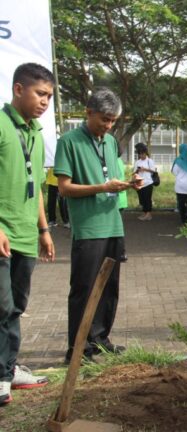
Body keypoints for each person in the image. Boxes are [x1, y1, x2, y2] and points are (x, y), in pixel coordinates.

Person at [54, 88, 142, 363]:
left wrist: (129, 183)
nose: (108, 125)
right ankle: (77, 349)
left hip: (113, 224)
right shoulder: (68, 142)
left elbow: (112, 179)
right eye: (104, 119)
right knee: (84, 288)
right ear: (88, 112)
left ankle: (100, 339)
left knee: (109, 287)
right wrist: (102, 186)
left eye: (113, 120)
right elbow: (65, 188)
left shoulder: (111, 142)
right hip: (89, 228)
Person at [0, 63, 56, 405]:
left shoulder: (35, 133)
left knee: (17, 305)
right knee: (1, 306)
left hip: (25, 235)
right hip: (3, 234)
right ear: (19, 89)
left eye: (49, 96)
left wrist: (44, 229)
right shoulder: (2, 125)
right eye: (40, 94)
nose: (45, 102)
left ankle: (8, 368)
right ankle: (2, 376)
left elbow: (34, 188)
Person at [133, 142, 155, 221]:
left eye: (142, 154)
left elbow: (153, 171)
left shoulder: (150, 161)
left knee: (147, 199)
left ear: (146, 153)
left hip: (148, 183)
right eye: (140, 154)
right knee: (142, 199)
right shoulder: (137, 162)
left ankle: (148, 214)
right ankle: (145, 212)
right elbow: (134, 172)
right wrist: (137, 171)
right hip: (140, 183)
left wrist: (145, 169)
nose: (141, 156)